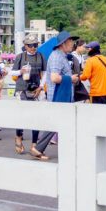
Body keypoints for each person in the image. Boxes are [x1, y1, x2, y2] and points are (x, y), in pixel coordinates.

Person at [32, 31, 79, 160]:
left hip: (60, 95)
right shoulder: (57, 57)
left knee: (59, 124)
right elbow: (54, 78)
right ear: (63, 44)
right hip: (58, 96)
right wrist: (71, 79)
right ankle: (38, 148)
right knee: (56, 124)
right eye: (71, 41)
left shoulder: (60, 56)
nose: (73, 44)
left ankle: (41, 148)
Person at [11, 33, 46, 154]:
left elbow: (45, 73)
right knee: (21, 115)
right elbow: (12, 73)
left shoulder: (41, 56)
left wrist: (41, 87)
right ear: (25, 46)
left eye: (35, 45)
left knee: (36, 117)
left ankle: (34, 144)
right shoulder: (20, 56)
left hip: (35, 90)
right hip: (21, 89)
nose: (33, 47)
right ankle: (18, 137)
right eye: (30, 45)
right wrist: (20, 71)